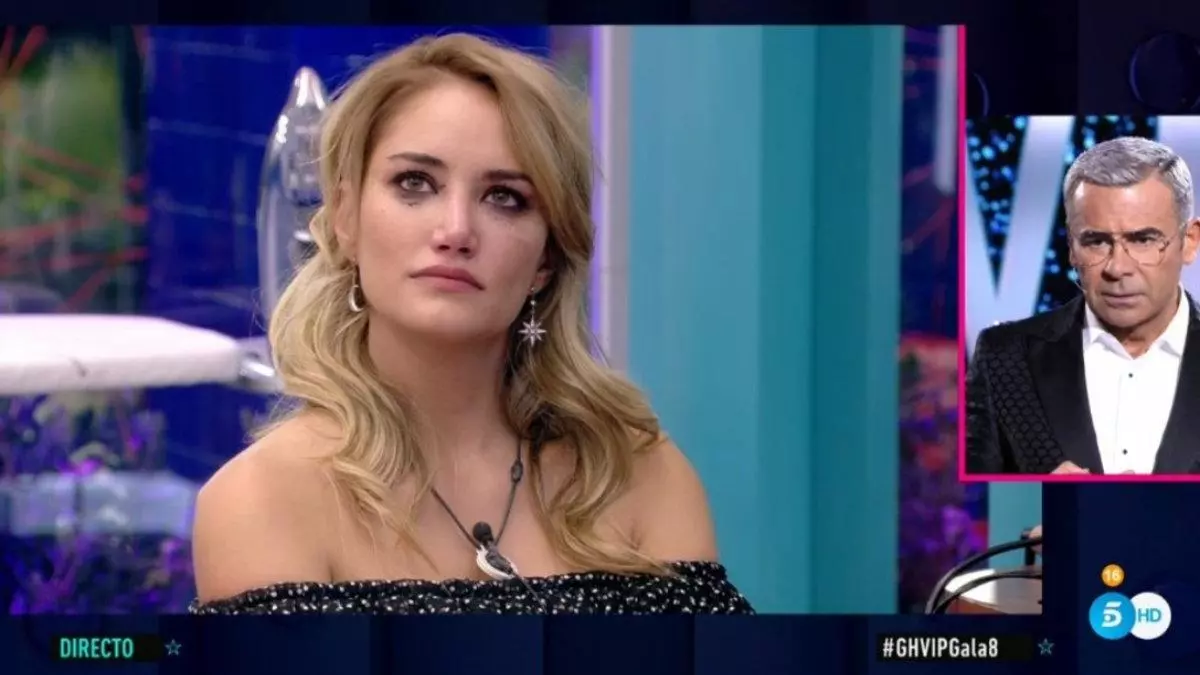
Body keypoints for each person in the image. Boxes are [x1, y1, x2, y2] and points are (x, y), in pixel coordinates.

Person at [188, 34, 752, 615]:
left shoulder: (638, 472)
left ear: (546, 259)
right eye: (415, 183)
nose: (456, 230)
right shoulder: (262, 500)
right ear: (345, 220)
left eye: (504, 197)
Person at [967, 136, 1200, 475]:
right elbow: (967, 498)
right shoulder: (1004, 358)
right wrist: (1041, 500)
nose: (1117, 267)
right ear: (1072, 247)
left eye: (1143, 239)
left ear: (1189, 241)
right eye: (1096, 241)